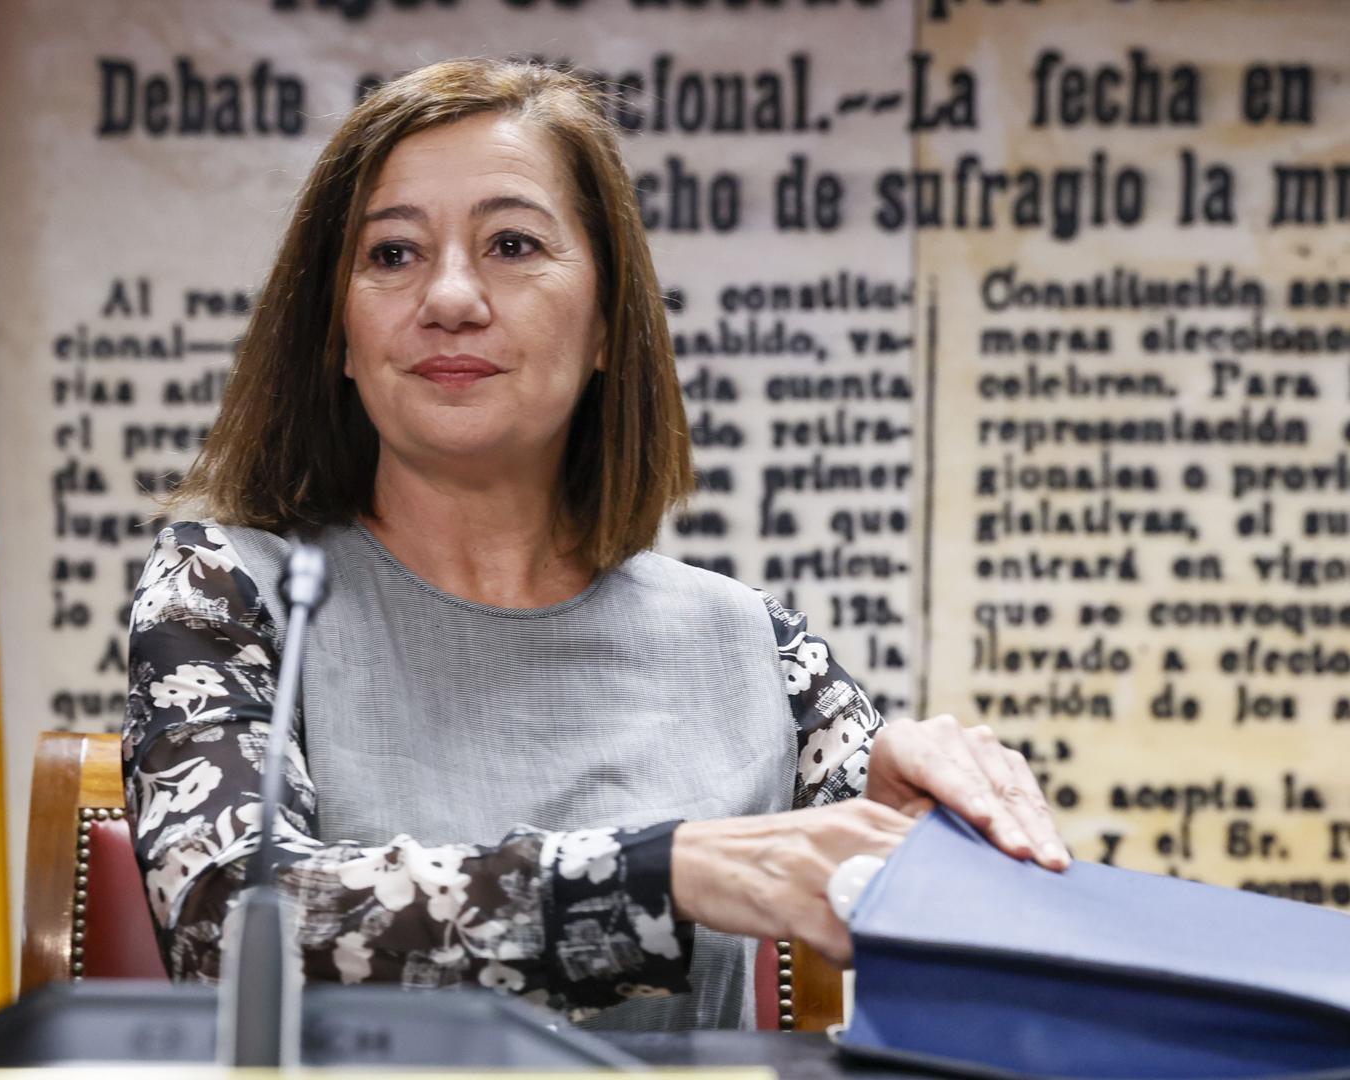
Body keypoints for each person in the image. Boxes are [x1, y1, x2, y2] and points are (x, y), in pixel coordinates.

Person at [122, 57, 1067, 1030]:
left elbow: (984, 946)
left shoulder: (756, 648)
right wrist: (662, 874)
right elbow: (229, 930)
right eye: (393, 255)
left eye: (513, 244)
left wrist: (925, 821)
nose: (450, 296)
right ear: (339, 335)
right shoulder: (224, 589)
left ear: (610, 321)